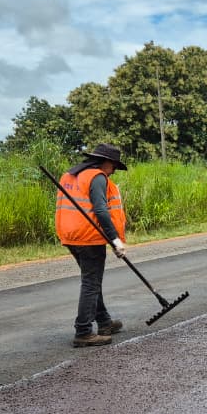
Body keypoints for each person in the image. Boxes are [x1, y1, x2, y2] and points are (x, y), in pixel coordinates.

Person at [55, 143, 129, 348]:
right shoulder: (96, 177)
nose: (113, 171)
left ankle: (104, 322)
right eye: (114, 166)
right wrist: (115, 239)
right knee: (91, 283)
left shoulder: (70, 175)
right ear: (106, 162)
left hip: (70, 235)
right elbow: (101, 210)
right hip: (89, 236)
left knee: (92, 281)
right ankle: (83, 331)